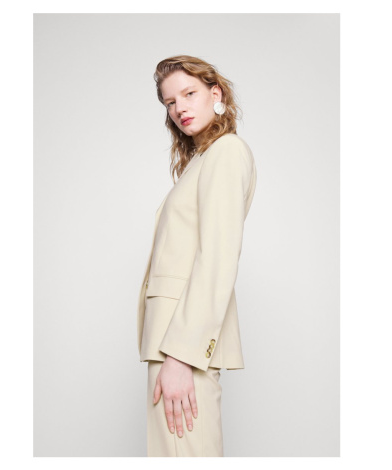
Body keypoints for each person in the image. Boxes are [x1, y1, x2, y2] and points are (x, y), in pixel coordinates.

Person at [137, 55, 257, 457]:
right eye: (170, 102)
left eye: (189, 94)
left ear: (215, 93)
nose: (179, 108)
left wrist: (181, 356)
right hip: (169, 341)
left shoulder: (227, 152)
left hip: (181, 347)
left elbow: (218, 259)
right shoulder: (202, 159)